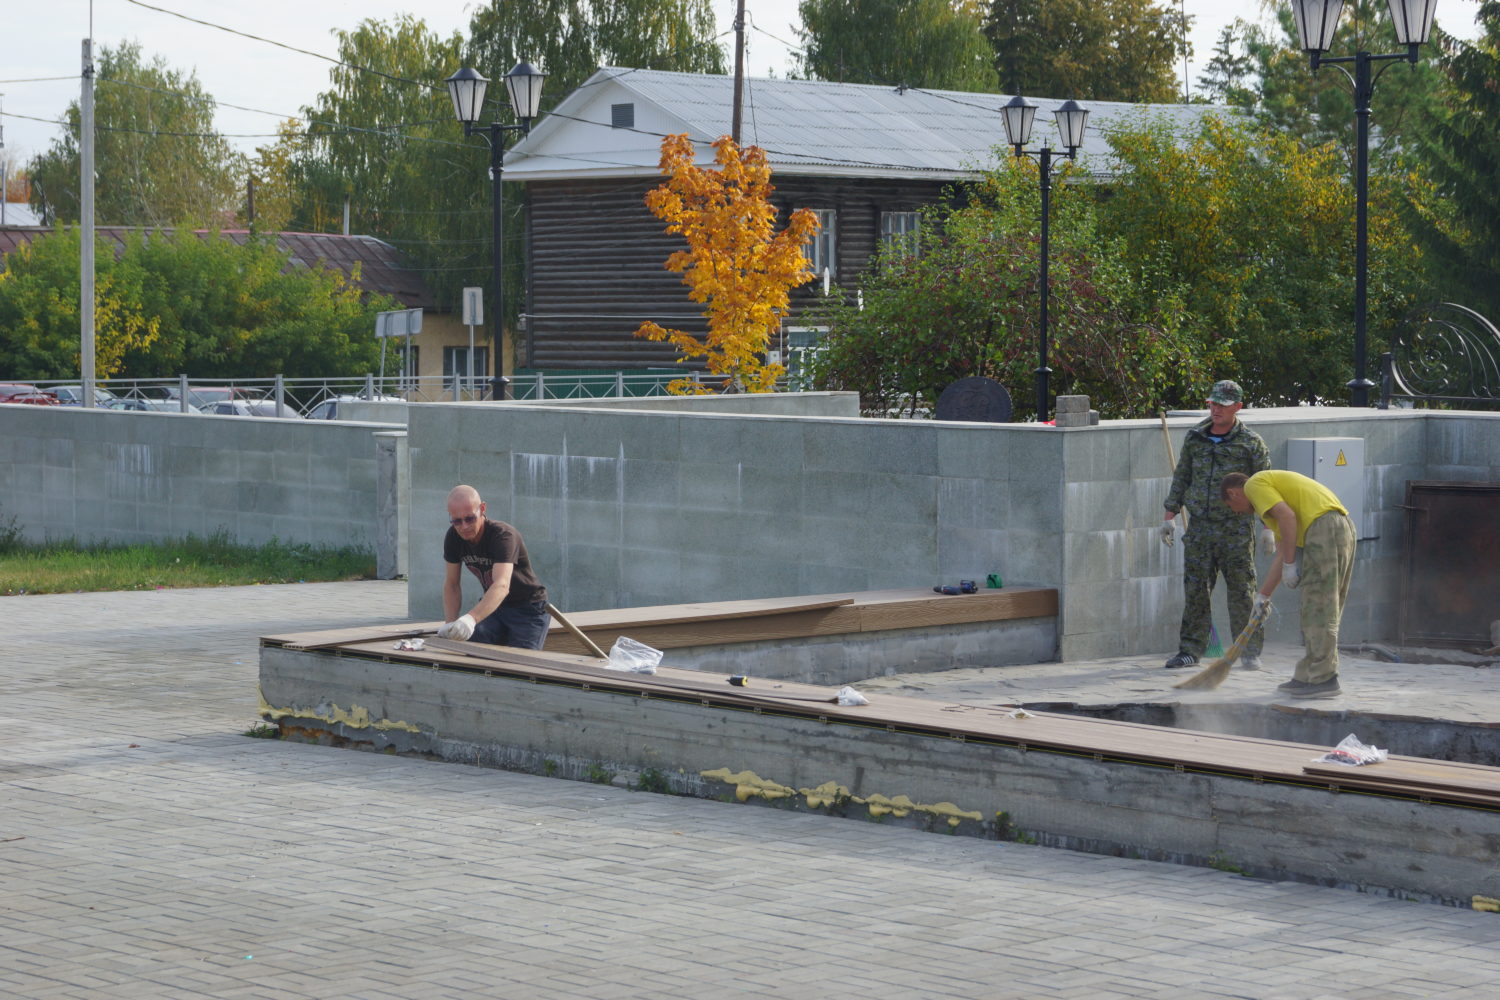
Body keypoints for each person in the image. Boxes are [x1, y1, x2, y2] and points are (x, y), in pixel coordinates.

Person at [1161, 380, 1272, 671]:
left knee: (1242, 591)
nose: (1216, 409)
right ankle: (1190, 650)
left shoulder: (1251, 443)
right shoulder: (1195, 438)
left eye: (1223, 404)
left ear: (1238, 407)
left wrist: (1269, 526)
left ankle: (1249, 651)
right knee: (1196, 589)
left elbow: (1266, 486)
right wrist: (1169, 516)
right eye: (1213, 403)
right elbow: (1182, 476)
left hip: (1235, 528)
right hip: (1200, 527)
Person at [1221, 470, 1356, 699]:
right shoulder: (1273, 499)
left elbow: (1288, 517)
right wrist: (1263, 596)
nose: (1237, 512)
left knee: (1319, 608)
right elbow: (1283, 549)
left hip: (1325, 528)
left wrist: (1291, 564)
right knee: (1316, 606)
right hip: (1333, 527)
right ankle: (1309, 675)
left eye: (1231, 506)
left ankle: (1324, 678)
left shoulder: (1254, 485)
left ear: (1233, 493)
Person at [437, 484, 551, 649]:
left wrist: (470, 619)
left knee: (521, 666)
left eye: (469, 518)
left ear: (482, 508)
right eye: (456, 521)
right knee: (469, 651)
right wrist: (450, 624)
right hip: (495, 607)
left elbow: (502, 585)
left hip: (528, 608)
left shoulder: (503, 535)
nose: (464, 526)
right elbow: (452, 584)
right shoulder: (453, 537)